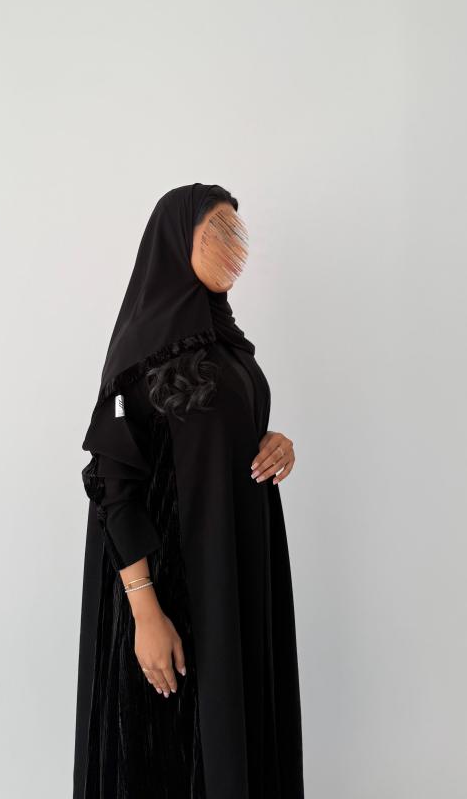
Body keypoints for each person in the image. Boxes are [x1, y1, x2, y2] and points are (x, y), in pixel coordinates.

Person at [73, 183, 304, 799]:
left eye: (238, 235)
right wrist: (146, 613)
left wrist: (273, 440)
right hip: (174, 592)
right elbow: (113, 488)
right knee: (176, 755)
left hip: (235, 574)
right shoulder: (138, 357)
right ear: (176, 243)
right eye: (217, 234)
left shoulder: (225, 342)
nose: (234, 248)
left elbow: (222, 433)